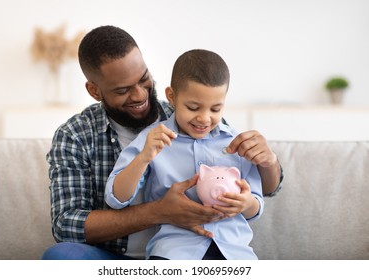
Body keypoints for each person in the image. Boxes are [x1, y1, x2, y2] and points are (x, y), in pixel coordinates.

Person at [41, 25, 282, 260]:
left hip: (210, 251)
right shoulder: (76, 135)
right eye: (123, 90)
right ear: (95, 91)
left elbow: (265, 189)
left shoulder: (196, 116)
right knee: (61, 257)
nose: (140, 95)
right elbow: (66, 225)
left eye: (144, 78)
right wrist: (159, 212)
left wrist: (269, 161)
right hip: (131, 256)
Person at [105, 49, 263, 260]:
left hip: (233, 253)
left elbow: (256, 206)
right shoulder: (152, 139)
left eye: (215, 109)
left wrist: (246, 204)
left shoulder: (236, 143)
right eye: (193, 107)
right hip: (174, 253)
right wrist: (143, 157)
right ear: (172, 96)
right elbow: (116, 198)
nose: (204, 118)